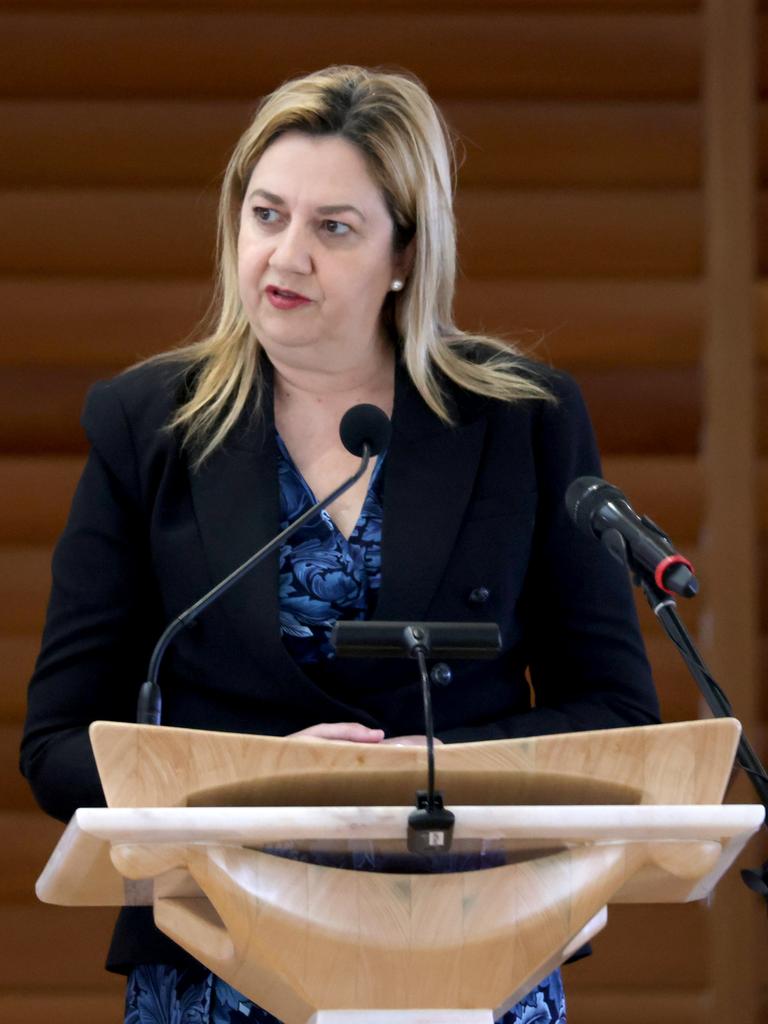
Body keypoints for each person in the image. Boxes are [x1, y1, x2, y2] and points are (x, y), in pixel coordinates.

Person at [20, 65, 659, 1024]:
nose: (284, 256)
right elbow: (58, 747)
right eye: (266, 214)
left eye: (334, 228)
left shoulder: (519, 423)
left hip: (473, 946)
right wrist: (269, 779)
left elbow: (614, 715)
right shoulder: (146, 427)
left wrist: (421, 773)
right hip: (218, 959)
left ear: (406, 254)